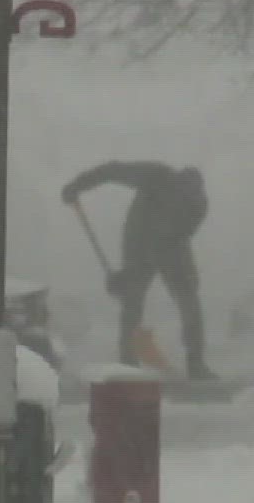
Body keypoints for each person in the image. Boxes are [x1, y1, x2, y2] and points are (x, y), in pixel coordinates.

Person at [62, 161, 216, 380]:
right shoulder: (155, 175)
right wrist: (77, 185)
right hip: (139, 242)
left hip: (173, 247)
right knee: (132, 301)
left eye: (185, 199)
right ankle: (128, 360)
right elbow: (112, 170)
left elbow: (183, 235)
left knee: (189, 300)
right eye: (175, 197)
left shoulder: (198, 206)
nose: (177, 203)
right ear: (173, 183)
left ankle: (196, 362)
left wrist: (187, 277)